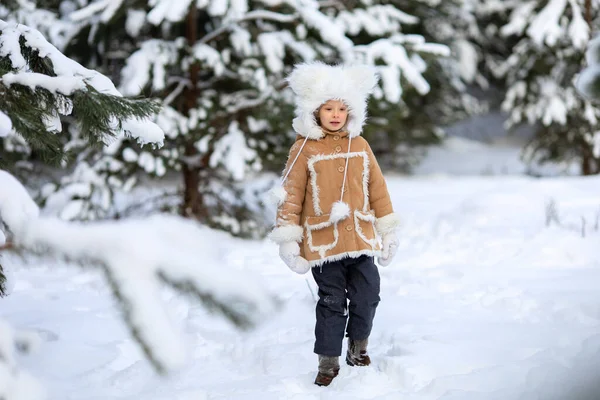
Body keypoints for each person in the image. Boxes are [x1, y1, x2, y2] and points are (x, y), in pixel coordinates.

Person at [268, 62, 401, 386]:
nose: (336, 114)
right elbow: (290, 194)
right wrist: (289, 240)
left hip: (360, 238)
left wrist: (388, 231)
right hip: (324, 243)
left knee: (368, 295)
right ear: (315, 111)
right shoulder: (304, 149)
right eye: (328, 108)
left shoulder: (361, 146)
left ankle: (358, 347)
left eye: (342, 108)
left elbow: (378, 190)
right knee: (331, 302)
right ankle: (328, 363)